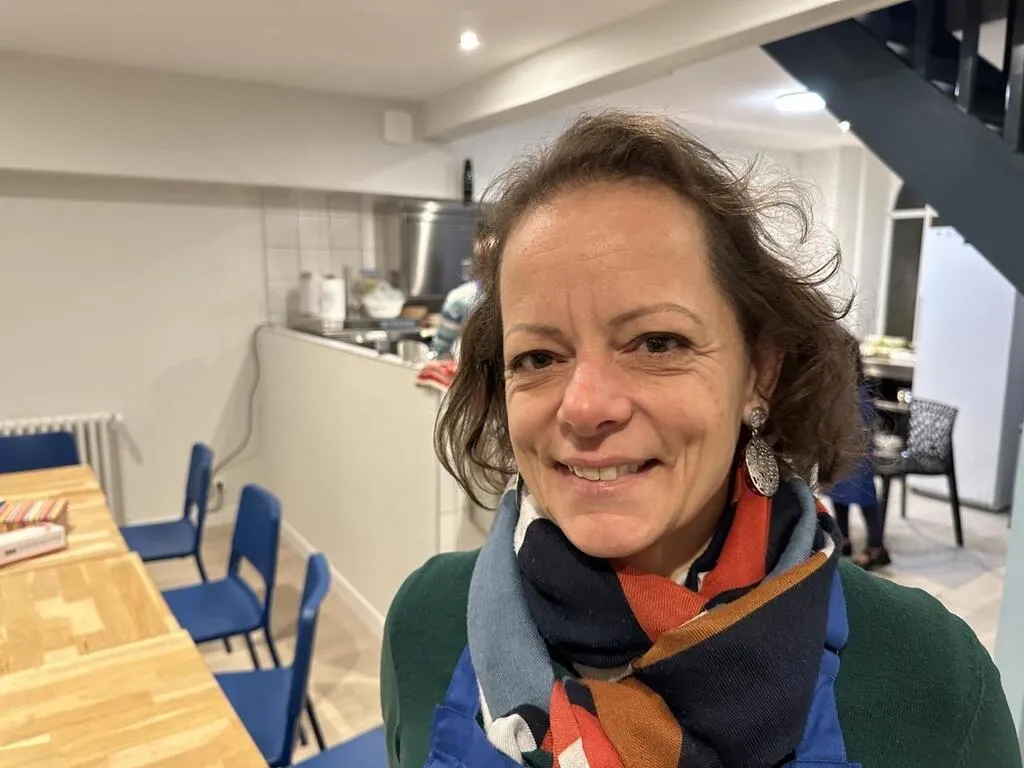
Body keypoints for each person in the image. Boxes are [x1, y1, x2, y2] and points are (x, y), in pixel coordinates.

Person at [381, 112, 1020, 768]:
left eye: (658, 343)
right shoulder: (426, 622)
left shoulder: (931, 679)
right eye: (539, 357)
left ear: (759, 373)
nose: (585, 407)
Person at [829, 334, 891, 570]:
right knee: (838, 494)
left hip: (857, 456)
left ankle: (876, 547)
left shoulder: (859, 393)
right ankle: (843, 537)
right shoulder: (839, 391)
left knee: (865, 499)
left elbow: (863, 427)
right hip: (839, 452)